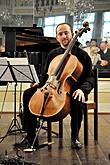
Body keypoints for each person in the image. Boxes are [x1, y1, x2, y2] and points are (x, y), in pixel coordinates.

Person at [14, 23, 94, 149]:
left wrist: (82, 90)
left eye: (66, 33)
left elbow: (90, 77)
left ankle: (75, 138)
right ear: (57, 38)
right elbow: (46, 75)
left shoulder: (82, 55)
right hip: (52, 87)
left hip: (74, 90)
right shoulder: (53, 54)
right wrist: (39, 83)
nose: (64, 36)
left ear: (72, 34)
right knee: (28, 93)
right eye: (60, 34)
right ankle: (30, 137)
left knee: (77, 102)